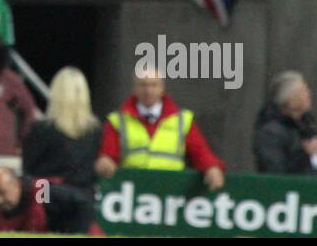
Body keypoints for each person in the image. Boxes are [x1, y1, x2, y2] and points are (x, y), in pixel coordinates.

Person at [94, 68, 225, 189]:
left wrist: (212, 168)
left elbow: (200, 153)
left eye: (153, 85)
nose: (148, 91)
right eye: (143, 85)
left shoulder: (182, 120)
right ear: (134, 88)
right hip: (132, 189)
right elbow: (108, 154)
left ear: (162, 88)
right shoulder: (118, 120)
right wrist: (105, 162)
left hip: (170, 190)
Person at [22, 66, 101, 193]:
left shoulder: (42, 130)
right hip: (83, 200)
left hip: (48, 197)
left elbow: (29, 171)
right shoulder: (95, 131)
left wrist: (41, 203)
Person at [0, 164, 91, 234]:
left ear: (17, 185)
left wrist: (77, 234)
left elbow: (81, 202)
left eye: (2, 193)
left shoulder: (42, 193)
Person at [253, 70, 317, 174]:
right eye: (303, 92)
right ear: (289, 99)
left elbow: (316, 169)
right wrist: (305, 155)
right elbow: (274, 171)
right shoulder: (270, 133)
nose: (309, 94)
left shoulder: (307, 129)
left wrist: (314, 155)